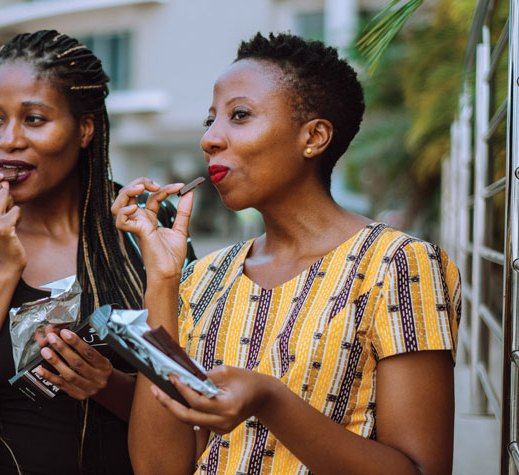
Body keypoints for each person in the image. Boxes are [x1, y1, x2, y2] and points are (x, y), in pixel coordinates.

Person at [113, 32, 460, 474]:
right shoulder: (203, 277)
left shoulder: (398, 265)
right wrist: (161, 283)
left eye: (239, 115)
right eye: (210, 119)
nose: (210, 138)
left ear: (313, 137)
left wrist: (269, 399)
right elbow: (159, 468)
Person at [0, 29, 194, 474]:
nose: (7, 140)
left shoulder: (143, 233)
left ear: (84, 128)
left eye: (34, 119)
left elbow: (199, 407)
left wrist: (108, 385)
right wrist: (2, 270)